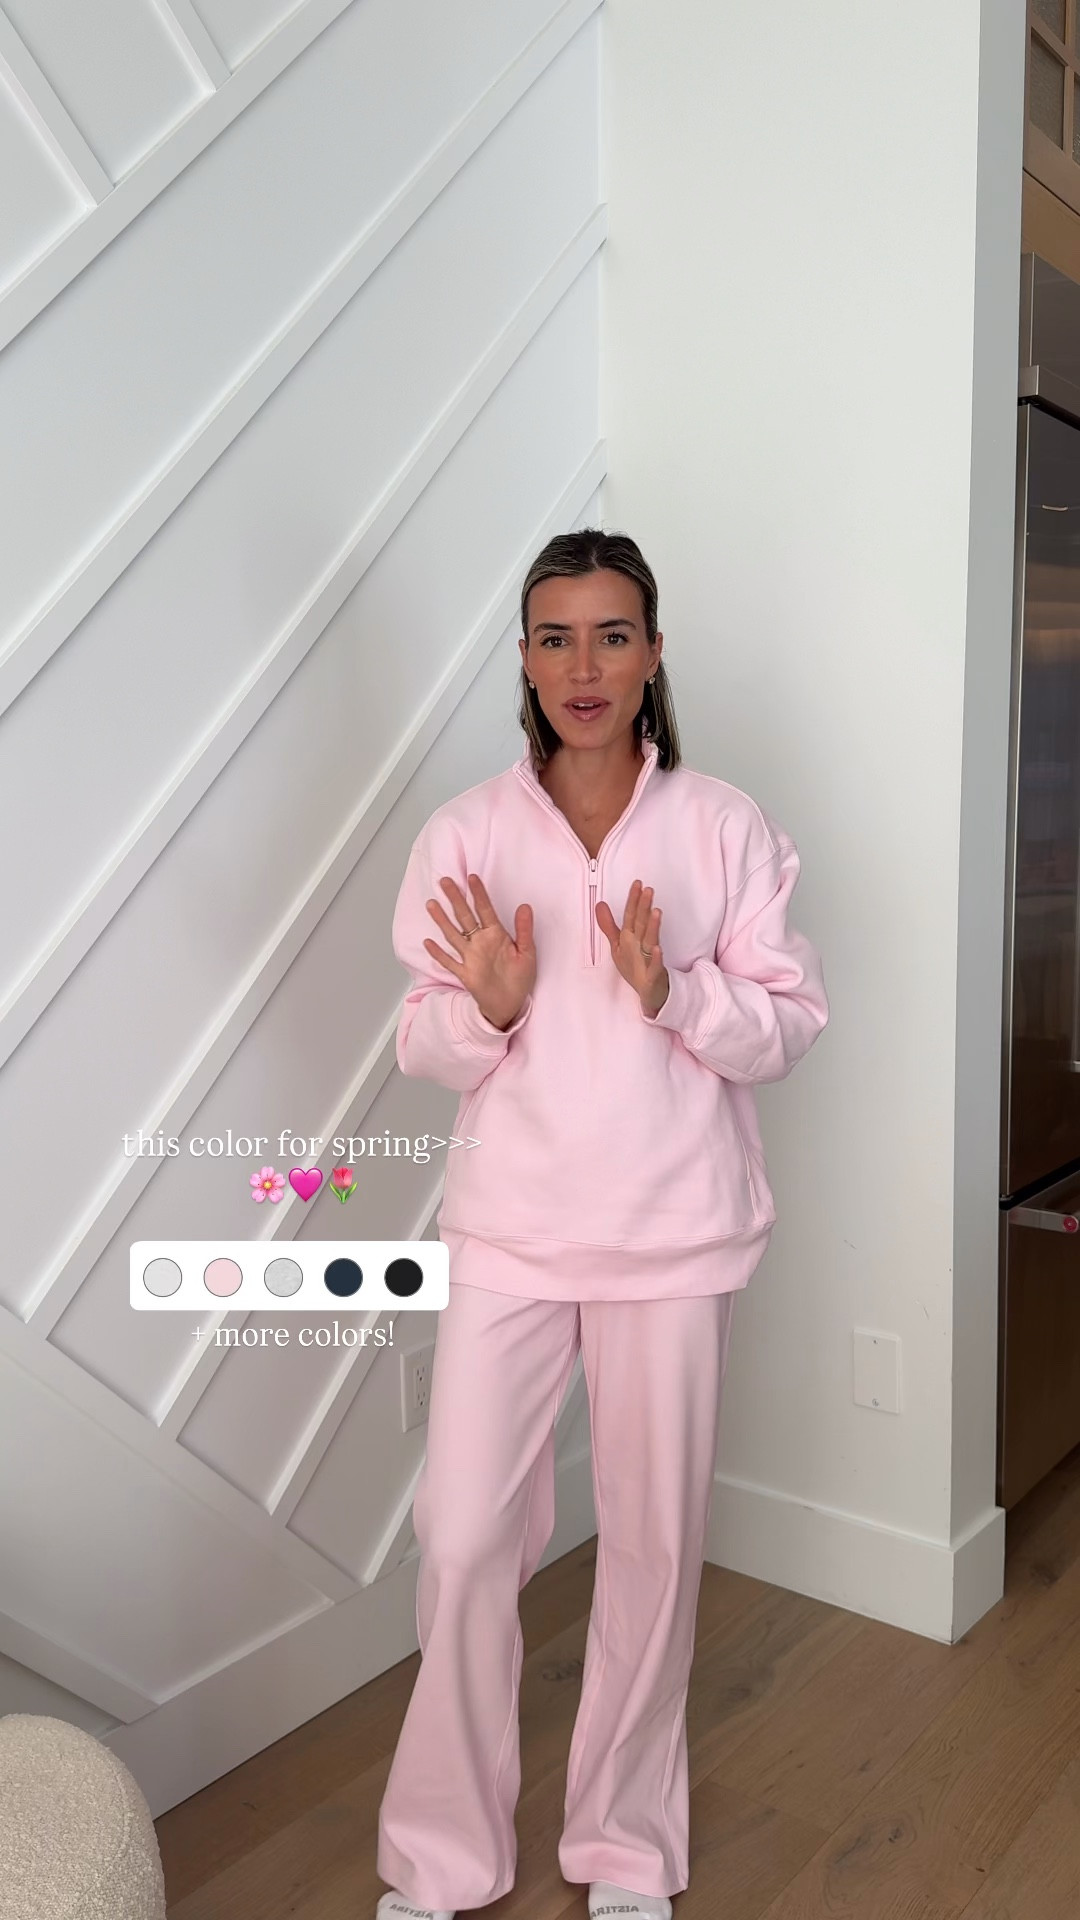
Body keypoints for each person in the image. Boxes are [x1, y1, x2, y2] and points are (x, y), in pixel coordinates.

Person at [375, 530, 829, 1920]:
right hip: (511, 1233)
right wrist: (490, 1009)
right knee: (463, 1538)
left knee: (650, 1550)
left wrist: (674, 991)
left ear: (653, 653)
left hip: (675, 1239)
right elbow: (419, 1042)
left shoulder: (724, 828)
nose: (584, 666)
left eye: (613, 635)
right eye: (556, 637)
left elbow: (789, 1028)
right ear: (523, 657)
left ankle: (625, 1849)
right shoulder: (465, 835)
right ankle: (441, 1858)